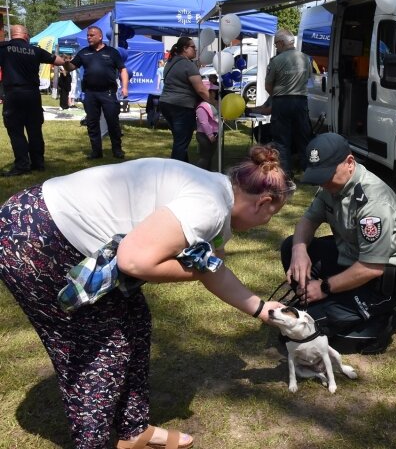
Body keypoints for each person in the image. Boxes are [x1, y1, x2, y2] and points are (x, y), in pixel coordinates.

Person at [0, 145, 292, 449]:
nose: (268, 223)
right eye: (273, 215)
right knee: (101, 355)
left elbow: (214, 267)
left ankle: (133, 431)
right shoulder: (209, 206)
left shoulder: (219, 194)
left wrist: (260, 308)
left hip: (47, 226)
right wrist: (199, 271)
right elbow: (136, 262)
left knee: (135, 322)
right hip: (36, 236)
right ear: (264, 202)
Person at [283, 133, 396, 354]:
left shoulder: (374, 202)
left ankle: (383, 318)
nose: (323, 182)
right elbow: (308, 220)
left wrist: (324, 287)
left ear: (350, 163)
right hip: (349, 260)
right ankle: (324, 299)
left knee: (310, 328)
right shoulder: (331, 186)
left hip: (380, 279)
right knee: (290, 246)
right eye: (319, 176)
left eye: (327, 175)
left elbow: (371, 267)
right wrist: (299, 251)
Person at [0, 24, 65, 176]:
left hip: (14, 94)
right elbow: (59, 61)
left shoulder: (4, 48)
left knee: (16, 130)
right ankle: (38, 163)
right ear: (26, 36)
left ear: (12, 35)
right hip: (33, 95)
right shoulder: (35, 50)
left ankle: (22, 165)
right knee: (35, 129)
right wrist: (68, 62)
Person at [63, 26, 128, 159]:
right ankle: (96, 151)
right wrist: (65, 63)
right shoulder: (83, 52)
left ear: (100, 36)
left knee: (113, 122)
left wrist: (125, 87)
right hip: (90, 93)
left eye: (92, 35)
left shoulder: (112, 52)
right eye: (88, 35)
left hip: (108, 93)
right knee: (92, 123)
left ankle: (117, 150)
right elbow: (71, 67)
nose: (89, 37)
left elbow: (123, 70)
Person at [265, 28, 312, 176]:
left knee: (281, 139)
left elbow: (268, 85)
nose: (276, 48)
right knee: (303, 137)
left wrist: (276, 96)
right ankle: (307, 171)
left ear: (280, 43)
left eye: (276, 45)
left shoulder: (276, 61)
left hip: (282, 102)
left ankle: (286, 173)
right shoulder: (305, 58)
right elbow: (308, 77)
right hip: (301, 101)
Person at [158, 37, 211, 163]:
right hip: (182, 106)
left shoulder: (170, 62)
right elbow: (201, 89)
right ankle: (176, 172)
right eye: (193, 47)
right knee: (181, 142)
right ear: (184, 49)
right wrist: (215, 103)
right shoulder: (188, 65)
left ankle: (184, 167)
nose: (196, 50)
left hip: (166, 103)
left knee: (179, 140)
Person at [195, 78, 219, 171]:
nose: (215, 93)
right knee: (205, 157)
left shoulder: (211, 104)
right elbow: (204, 122)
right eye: (213, 91)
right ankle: (197, 173)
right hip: (205, 135)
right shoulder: (202, 107)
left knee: (209, 157)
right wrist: (210, 135)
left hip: (213, 134)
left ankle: (207, 173)